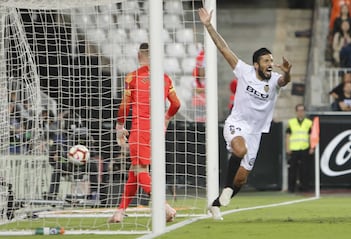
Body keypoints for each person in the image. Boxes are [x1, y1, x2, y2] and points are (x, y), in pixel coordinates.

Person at [198, 8, 292, 220]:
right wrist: (208, 25)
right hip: (237, 124)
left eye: (272, 60)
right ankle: (226, 191)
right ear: (256, 64)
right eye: (266, 61)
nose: (270, 64)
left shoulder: (275, 80)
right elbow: (223, 48)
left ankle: (217, 202)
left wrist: (287, 71)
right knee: (239, 150)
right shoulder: (244, 71)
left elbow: (285, 81)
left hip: (256, 133)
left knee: (240, 180)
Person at [108, 43, 181, 223]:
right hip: (156, 131)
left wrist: (119, 127)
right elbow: (176, 104)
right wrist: (165, 119)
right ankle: (120, 211)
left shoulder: (133, 77)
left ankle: (164, 207)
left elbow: (124, 106)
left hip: (140, 129)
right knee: (135, 171)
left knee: (140, 170)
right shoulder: (165, 78)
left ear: (139, 55)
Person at [285, 104, 314, 193]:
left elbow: (311, 136)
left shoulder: (309, 123)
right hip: (294, 148)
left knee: (305, 170)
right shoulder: (291, 122)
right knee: (292, 170)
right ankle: (291, 188)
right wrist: (287, 148)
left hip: (304, 148)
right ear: (296, 112)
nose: (301, 112)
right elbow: (288, 136)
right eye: (299, 110)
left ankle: (305, 187)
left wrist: (312, 147)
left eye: (302, 110)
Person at [191, 49, 206, 122]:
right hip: (198, 105)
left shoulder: (207, 81)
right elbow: (196, 90)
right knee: (198, 121)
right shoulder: (195, 80)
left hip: (205, 104)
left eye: (204, 69)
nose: (202, 71)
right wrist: (205, 90)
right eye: (201, 69)